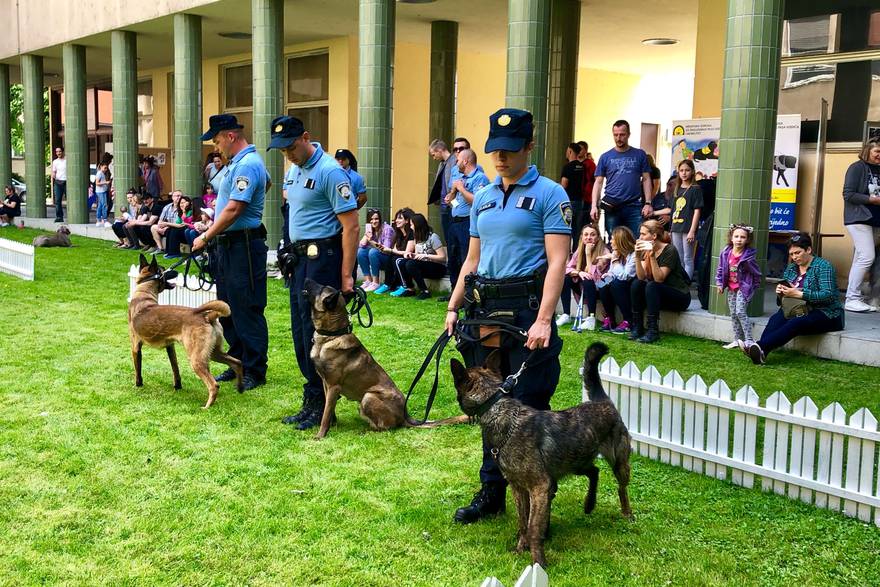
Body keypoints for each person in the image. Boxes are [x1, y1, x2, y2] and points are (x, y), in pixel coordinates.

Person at [444, 108, 571, 524]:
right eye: (495, 150)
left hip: (527, 311)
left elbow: (557, 262)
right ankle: (491, 491)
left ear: (529, 147)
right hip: (486, 311)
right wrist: (453, 305)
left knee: (528, 407)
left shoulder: (551, 195)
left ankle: (537, 501)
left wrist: (545, 319)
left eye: (510, 150)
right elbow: (472, 258)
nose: (501, 158)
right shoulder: (482, 196)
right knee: (489, 406)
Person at [269, 115, 359, 430]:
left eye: (292, 147)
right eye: (282, 150)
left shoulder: (330, 172)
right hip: (300, 260)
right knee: (300, 330)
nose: (288, 154)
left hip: (323, 259)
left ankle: (324, 403)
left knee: (321, 332)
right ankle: (313, 395)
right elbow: (291, 212)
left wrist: (347, 275)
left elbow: (351, 226)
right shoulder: (293, 171)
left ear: (306, 137)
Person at [192, 114, 270, 392]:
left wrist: (206, 235)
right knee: (227, 307)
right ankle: (237, 361)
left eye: (217, 140)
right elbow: (267, 184)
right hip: (229, 245)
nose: (216, 146)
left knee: (246, 307)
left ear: (231, 136)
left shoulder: (248, 164)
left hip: (243, 246)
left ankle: (255, 369)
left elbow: (235, 208)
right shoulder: (238, 164)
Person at [744, 232, 844, 365]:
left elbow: (828, 296)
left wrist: (799, 294)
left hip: (827, 313)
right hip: (797, 308)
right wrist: (781, 293)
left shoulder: (823, 266)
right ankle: (761, 352)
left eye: (798, 253)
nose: (794, 257)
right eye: (791, 254)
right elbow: (783, 303)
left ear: (808, 250)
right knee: (776, 318)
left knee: (796, 322)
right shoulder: (791, 269)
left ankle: (759, 347)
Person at [629, 219, 691, 343]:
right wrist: (637, 256)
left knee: (652, 286)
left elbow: (659, 278)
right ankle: (638, 326)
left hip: (680, 296)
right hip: (658, 295)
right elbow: (641, 277)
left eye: (643, 234)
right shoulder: (643, 248)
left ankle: (653, 331)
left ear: (654, 236)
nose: (640, 237)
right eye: (640, 234)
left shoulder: (670, 250)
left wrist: (652, 257)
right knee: (637, 284)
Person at [590, 120, 653, 237]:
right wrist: (594, 205)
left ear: (628, 134)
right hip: (612, 206)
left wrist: (648, 203)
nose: (618, 138)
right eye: (616, 135)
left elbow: (646, 179)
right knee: (614, 242)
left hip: (634, 205)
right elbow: (598, 182)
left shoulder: (639, 154)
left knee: (637, 240)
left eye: (622, 134)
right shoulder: (605, 157)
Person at [842, 138, 880, 312]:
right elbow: (848, 194)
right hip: (859, 219)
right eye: (877, 152)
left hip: (874, 221)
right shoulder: (857, 167)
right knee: (866, 257)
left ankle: (853, 296)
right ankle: (852, 299)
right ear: (867, 151)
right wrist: (871, 199)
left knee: (860, 258)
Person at [445, 148, 489, 294]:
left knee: (467, 257)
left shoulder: (479, 178)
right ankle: (456, 292)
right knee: (454, 258)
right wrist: (452, 193)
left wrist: (462, 189)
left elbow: (477, 201)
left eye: (458, 160)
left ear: (465, 161)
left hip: (468, 222)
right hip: (455, 221)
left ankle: (469, 293)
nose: (456, 163)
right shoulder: (461, 178)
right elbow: (453, 200)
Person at [715, 224, 762, 349]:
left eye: (743, 237)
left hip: (744, 288)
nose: (739, 239)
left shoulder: (748, 256)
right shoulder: (726, 253)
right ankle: (737, 340)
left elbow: (756, 272)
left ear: (747, 240)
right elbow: (720, 269)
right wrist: (719, 283)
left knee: (740, 311)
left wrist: (754, 286)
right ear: (731, 238)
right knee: (733, 314)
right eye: (736, 236)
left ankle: (750, 340)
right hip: (731, 287)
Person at [557, 224, 609, 330]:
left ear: (598, 237)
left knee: (588, 279)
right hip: (586, 287)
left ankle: (591, 318)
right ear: (581, 237)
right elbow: (567, 269)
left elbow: (593, 276)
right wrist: (578, 272)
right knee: (565, 278)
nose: (588, 237)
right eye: (586, 235)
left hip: (602, 286)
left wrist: (588, 254)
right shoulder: (579, 250)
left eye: (592, 235)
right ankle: (566, 314)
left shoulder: (604, 252)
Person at [390, 213, 447, 300]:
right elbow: (417, 255)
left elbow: (443, 257)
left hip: (438, 268)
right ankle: (410, 289)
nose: (411, 227)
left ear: (418, 225)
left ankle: (425, 291)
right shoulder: (417, 238)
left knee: (411, 264)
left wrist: (425, 255)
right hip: (424, 266)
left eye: (412, 224)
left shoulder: (433, 237)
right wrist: (412, 255)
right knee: (402, 262)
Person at [597, 226, 637, 334]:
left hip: (632, 285)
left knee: (615, 284)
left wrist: (614, 260)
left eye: (612, 239)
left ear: (620, 241)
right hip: (619, 282)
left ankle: (628, 320)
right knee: (602, 284)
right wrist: (607, 275)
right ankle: (610, 319)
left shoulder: (633, 254)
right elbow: (613, 272)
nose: (610, 242)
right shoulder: (617, 253)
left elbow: (626, 276)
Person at [669, 159, 704, 279]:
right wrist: (653, 212)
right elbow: (671, 209)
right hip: (676, 227)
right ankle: (680, 281)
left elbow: (697, 210)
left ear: (693, 172)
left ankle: (686, 282)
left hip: (688, 228)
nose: (684, 173)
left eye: (687, 170)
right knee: (678, 257)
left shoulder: (695, 189)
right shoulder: (677, 189)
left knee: (688, 257)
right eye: (681, 170)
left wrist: (692, 231)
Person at [372, 207, 414, 294]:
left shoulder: (411, 234)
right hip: (399, 257)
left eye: (400, 218)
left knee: (394, 257)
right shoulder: (398, 234)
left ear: (407, 221)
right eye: (396, 218)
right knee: (391, 257)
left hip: (409, 258)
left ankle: (403, 286)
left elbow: (408, 252)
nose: (396, 220)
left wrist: (391, 250)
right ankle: (387, 284)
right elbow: (394, 250)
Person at [357, 208, 395, 291]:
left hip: (388, 259)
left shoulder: (387, 229)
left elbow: (385, 249)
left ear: (380, 219)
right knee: (360, 252)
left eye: (376, 219)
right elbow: (361, 245)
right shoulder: (372, 230)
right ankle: (368, 281)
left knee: (372, 251)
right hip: (376, 257)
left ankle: (375, 283)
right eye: (371, 219)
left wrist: (371, 240)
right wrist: (367, 235)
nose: (373, 221)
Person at [427, 139, 456, 244]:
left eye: (434, 155)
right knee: (447, 237)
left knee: (454, 236)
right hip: (443, 206)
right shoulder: (441, 164)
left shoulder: (455, 161)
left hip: (453, 205)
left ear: (439, 150)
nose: (434, 158)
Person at [559, 143, 586, 247]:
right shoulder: (583, 166)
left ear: (570, 151)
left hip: (568, 201)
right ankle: (576, 253)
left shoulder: (567, 167)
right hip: (580, 201)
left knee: (567, 227)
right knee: (577, 230)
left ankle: (567, 255)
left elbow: (564, 185)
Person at [148, 190, 181, 255]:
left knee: (170, 230)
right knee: (153, 227)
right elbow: (160, 220)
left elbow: (178, 223)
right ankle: (160, 248)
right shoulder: (167, 207)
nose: (179, 197)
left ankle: (170, 252)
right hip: (166, 227)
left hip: (175, 228)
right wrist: (161, 226)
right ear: (172, 197)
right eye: (177, 196)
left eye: (180, 196)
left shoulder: (182, 207)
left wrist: (167, 226)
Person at [51, 146, 67, 222]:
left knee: (70, 200)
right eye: (57, 152)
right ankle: (59, 217)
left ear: (62, 152)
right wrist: (53, 175)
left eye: (59, 151)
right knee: (57, 200)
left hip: (66, 182)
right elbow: (54, 172)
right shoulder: (55, 162)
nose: (58, 153)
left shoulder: (67, 160)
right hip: (58, 182)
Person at [94, 162, 112, 228]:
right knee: (104, 205)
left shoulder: (101, 173)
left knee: (101, 205)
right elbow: (97, 183)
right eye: (105, 168)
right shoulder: (99, 173)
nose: (106, 169)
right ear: (101, 166)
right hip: (101, 192)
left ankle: (99, 220)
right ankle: (105, 220)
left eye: (106, 168)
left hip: (102, 191)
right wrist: (106, 182)